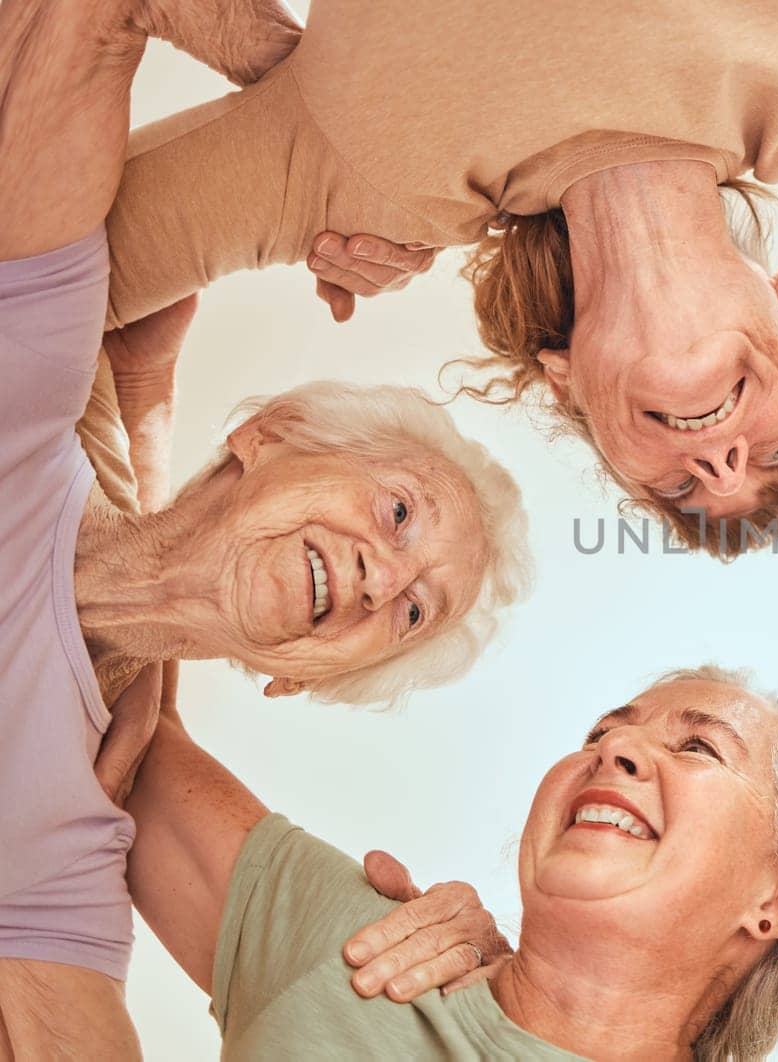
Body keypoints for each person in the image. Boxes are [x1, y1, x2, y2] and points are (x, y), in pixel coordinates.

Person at [0, 2, 529, 1052]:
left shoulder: (59, 828)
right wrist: (324, 109)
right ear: (271, 435)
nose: (385, 577)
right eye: (398, 510)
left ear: (298, 680)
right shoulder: (29, 397)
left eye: (413, 610)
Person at [100, 0, 778, 554]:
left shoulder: (382, 188)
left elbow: (51, 287)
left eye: (682, 494)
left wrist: (142, 406)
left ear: (566, 386)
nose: (722, 462)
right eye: (772, 456)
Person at [123, 666, 778, 1059]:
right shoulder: (371, 951)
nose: (614, 749)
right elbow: (121, 727)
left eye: (699, 747)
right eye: (603, 732)